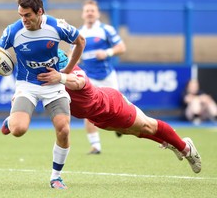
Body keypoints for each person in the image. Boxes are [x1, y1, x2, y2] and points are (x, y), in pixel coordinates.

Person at [0, 0, 86, 189]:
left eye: (27, 15)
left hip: (53, 85)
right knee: (18, 130)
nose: (24, 20)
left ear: (40, 12)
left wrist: (68, 70)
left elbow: (80, 42)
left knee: (64, 129)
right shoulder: (13, 31)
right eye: (21, 15)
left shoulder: (57, 26)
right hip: (27, 85)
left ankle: (56, 177)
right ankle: (11, 120)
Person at [37, 50, 202, 174]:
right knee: (132, 132)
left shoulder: (73, 73)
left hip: (112, 106)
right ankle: (172, 143)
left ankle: (186, 148)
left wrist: (60, 77)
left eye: (49, 65)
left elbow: (78, 82)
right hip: (98, 117)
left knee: (147, 125)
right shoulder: (51, 81)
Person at [73, 0, 127, 155]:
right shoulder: (78, 33)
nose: (90, 13)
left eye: (92, 11)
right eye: (87, 11)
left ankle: (120, 126)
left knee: (118, 109)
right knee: (88, 110)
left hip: (108, 76)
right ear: (83, 14)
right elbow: (71, 53)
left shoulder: (106, 30)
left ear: (97, 14)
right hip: (90, 78)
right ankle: (96, 146)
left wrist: (108, 52)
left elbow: (121, 47)